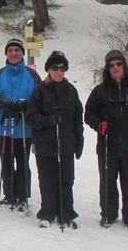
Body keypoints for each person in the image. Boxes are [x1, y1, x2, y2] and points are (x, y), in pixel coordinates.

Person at [85, 50, 128, 229]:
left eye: (119, 64)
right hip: (107, 146)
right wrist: (99, 124)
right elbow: (88, 114)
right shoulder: (100, 91)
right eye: (112, 65)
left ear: (124, 66)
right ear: (107, 69)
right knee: (107, 182)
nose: (116, 68)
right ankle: (108, 214)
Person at [25, 50, 84, 229]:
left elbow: (77, 118)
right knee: (48, 180)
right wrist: (48, 120)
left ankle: (66, 213)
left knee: (67, 180)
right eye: (55, 68)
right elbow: (30, 117)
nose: (59, 71)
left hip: (66, 144)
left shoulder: (71, 91)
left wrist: (79, 140)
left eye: (62, 68)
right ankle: (48, 213)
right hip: (45, 145)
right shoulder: (40, 91)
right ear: (48, 69)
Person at [0, 38, 41, 212]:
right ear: (6, 54)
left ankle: (22, 198)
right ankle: (9, 195)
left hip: (25, 128)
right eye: (10, 50)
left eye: (17, 50)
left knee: (23, 163)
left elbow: (42, 99)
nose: (14, 53)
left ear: (22, 53)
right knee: (6, 162)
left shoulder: (32, 75)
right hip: (5, 127)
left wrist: (28, 105)